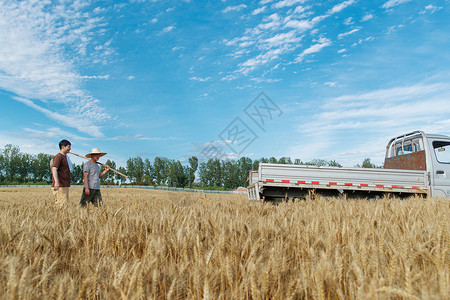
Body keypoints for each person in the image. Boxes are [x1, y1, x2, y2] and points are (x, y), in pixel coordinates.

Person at [51, 139, 72, 206]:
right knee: (62, 205)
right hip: (60, 185)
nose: (70, 149)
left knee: (64, 205)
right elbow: (54, 169)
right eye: (68, 147)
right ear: (63, 147)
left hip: (64, 185)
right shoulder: (58, 157)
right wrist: (56, 182)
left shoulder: (65, 157)